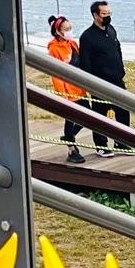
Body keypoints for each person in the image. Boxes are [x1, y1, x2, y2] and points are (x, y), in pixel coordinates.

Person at [76, 0, 131, 155]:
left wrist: (121, 70)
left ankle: (122, 143)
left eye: (109, 13)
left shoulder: (111, 29)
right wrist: (90, 83)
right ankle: (101, 145)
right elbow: (85, 63)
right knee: (100, 114)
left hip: (117, 79)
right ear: (95, 15)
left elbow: (117, 49)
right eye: (104, 14)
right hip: (99, 82)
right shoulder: (87, 36)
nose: (107, 16)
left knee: (123, 111)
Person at [46, 14, 89, 163]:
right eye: (66, 29)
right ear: (58, 31)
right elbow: (56, 75)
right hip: (67, 91)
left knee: (87, 117)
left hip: (79, 89)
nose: (69, 31)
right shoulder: (54, 49)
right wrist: (62, 94)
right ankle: (71, 150)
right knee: (70, 120)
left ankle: (69, 137)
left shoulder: (73, 44)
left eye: (70, 28)